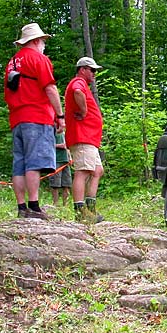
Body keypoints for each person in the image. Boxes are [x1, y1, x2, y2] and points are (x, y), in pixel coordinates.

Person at [4, 23, 65, 219]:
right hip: (37, 116)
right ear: (37, 41)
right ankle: (35, 206)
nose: (44, 45)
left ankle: (22, 208)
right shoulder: (39, 59)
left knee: (19, 163)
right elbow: (50, 88)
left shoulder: (12, 63)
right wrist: (60, 116)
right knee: (34, 163)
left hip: (17, 119)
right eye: (43, 42)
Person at [64, 56, 104, 224]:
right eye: (92, 70)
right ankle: (80, 213)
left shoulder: (84, 84)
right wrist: (83, 110)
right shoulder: (78, 82)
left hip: (90, 137)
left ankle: (90, 208)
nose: (94, 73)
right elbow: (77, 92)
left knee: (97, 171)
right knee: (83, 171)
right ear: (82, 70)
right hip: (82, 136)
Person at [49, 132, 72, 206]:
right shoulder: (51, 131)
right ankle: (55, 204)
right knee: (55, 184)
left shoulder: (65, 133)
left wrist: (70, 157)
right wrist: (59, 145)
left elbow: (67, 147)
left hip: (65, 162)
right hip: (56, 160)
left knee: (67, 184)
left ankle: (66, 205)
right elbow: (46, 144)